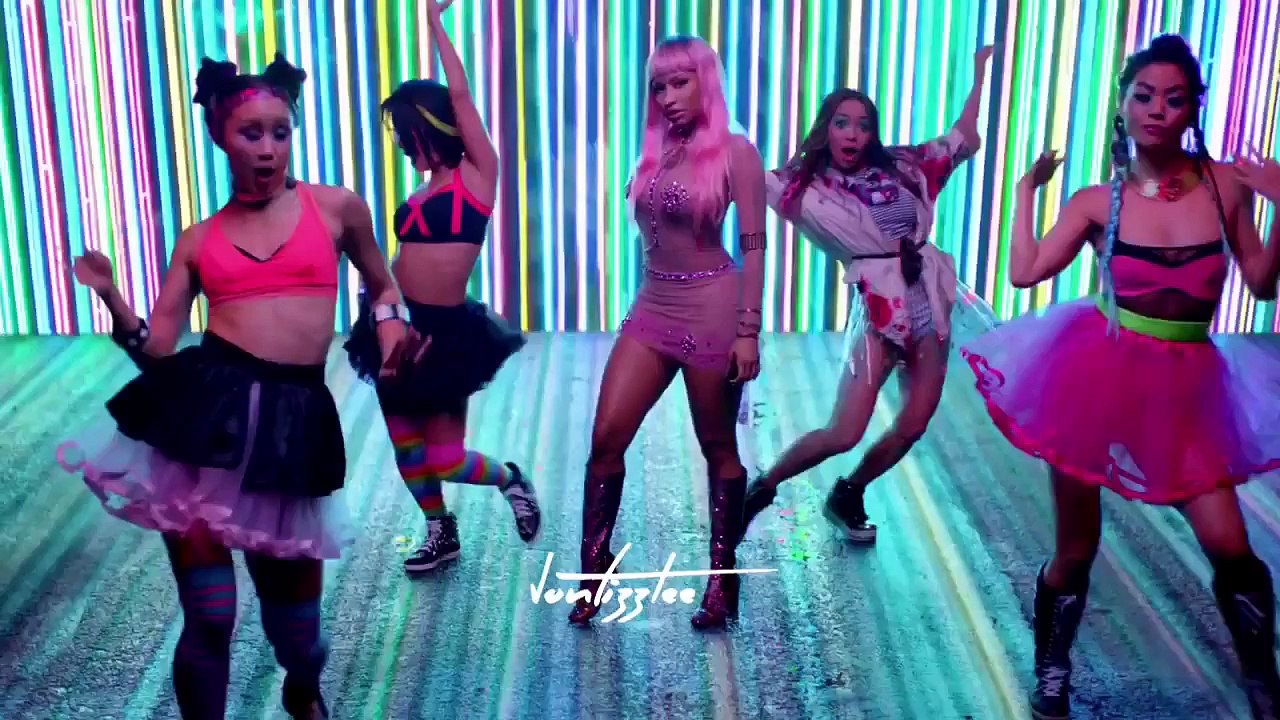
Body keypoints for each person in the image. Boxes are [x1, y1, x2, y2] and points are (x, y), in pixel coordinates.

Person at [55, 54, 412, 719]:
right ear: (222, 137)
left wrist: (390, 324)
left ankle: (302, 688)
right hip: (204, 428)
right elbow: (157, 352)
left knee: (298, 638)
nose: (268, 148)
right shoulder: (198, 241)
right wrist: (111, 297)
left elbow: (381, 281)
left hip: (292, 432)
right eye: (252, 133)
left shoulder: (336, 209)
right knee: (211, 614)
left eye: (281, 131)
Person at [959, 35, 1280, 719]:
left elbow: (1260, 282)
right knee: (1077, 548)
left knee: (1231, 546)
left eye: (1174, 98)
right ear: (1123, 104)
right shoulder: (1094, 202)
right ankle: (1052, 672)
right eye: (1144, 96)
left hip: (1189, 388)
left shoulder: (1224, 185)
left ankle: (1262, 680)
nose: (1157, 110)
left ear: (1193, 108)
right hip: (1096, 377)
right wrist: (1023, 193)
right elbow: (1024, 273)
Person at [737, 46, 993, 545]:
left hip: (930, 299)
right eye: (842, 123)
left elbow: (962, 137)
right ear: (826, 129)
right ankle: (762, 487)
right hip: (879, 310)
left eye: (863, 125)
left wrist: (980, 74)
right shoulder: (803, 185)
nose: (853, 134)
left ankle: (849, 491)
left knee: (914, 422)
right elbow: (740, 175)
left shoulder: (903, 166)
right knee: (844, 431)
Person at [567, 35, 767, 630]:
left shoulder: (736, 151)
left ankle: (722, 578)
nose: (668, 96)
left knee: (718, 447)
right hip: (653, 302)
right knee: (606, 439)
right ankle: (595, 572)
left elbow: (755, 247)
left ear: (707, 82)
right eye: (659, 86)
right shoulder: (657, 150)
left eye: (680, 82)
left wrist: (748, 330)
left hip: (712, 307)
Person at [343, 0, 540, 574]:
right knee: (406, 446)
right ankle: (438, 530)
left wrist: (434, 23)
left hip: (447, 333)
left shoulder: (478, 177)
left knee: (446, 457)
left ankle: (510, 480)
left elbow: (462, 97)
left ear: (432, 127)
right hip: (392, 322)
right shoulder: (426, 188)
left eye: (409, 137)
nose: (405, 148)